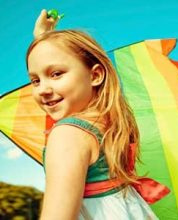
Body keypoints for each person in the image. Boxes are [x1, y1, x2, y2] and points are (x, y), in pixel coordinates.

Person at [27, 9, 169, 220]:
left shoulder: (67, 135)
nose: (43, 90)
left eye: (56, 74)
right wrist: (41, 38)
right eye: (35, 80)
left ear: (95, 75)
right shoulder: (112, 123)